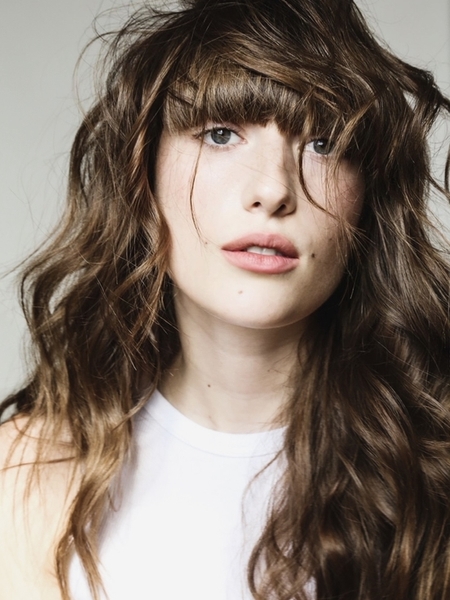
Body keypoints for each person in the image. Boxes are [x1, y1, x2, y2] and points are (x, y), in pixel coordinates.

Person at [1, 0, 450, 598]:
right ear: (142, 174)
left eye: (323, 143)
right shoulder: (21, 473)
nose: (272, 189)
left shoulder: (432, 472)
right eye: (221, 134)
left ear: (368, 197)